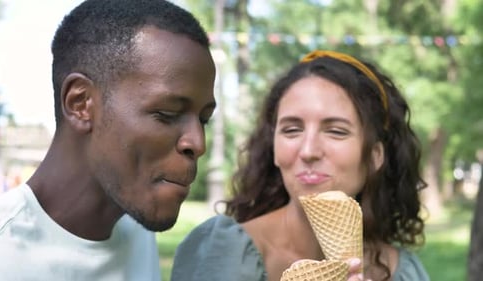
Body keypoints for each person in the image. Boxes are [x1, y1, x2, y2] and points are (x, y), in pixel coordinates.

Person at [0, 0, 216, 280]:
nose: (198, 143)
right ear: (81, 103)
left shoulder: (135, 229)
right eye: (167, 113)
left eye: (203, 119)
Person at [171, 50, 430, 281]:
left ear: (375, 156)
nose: (308, 151)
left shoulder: (402, 270)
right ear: (274, 149)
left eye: (336, 131)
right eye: (292, 130)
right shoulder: (223, 254)